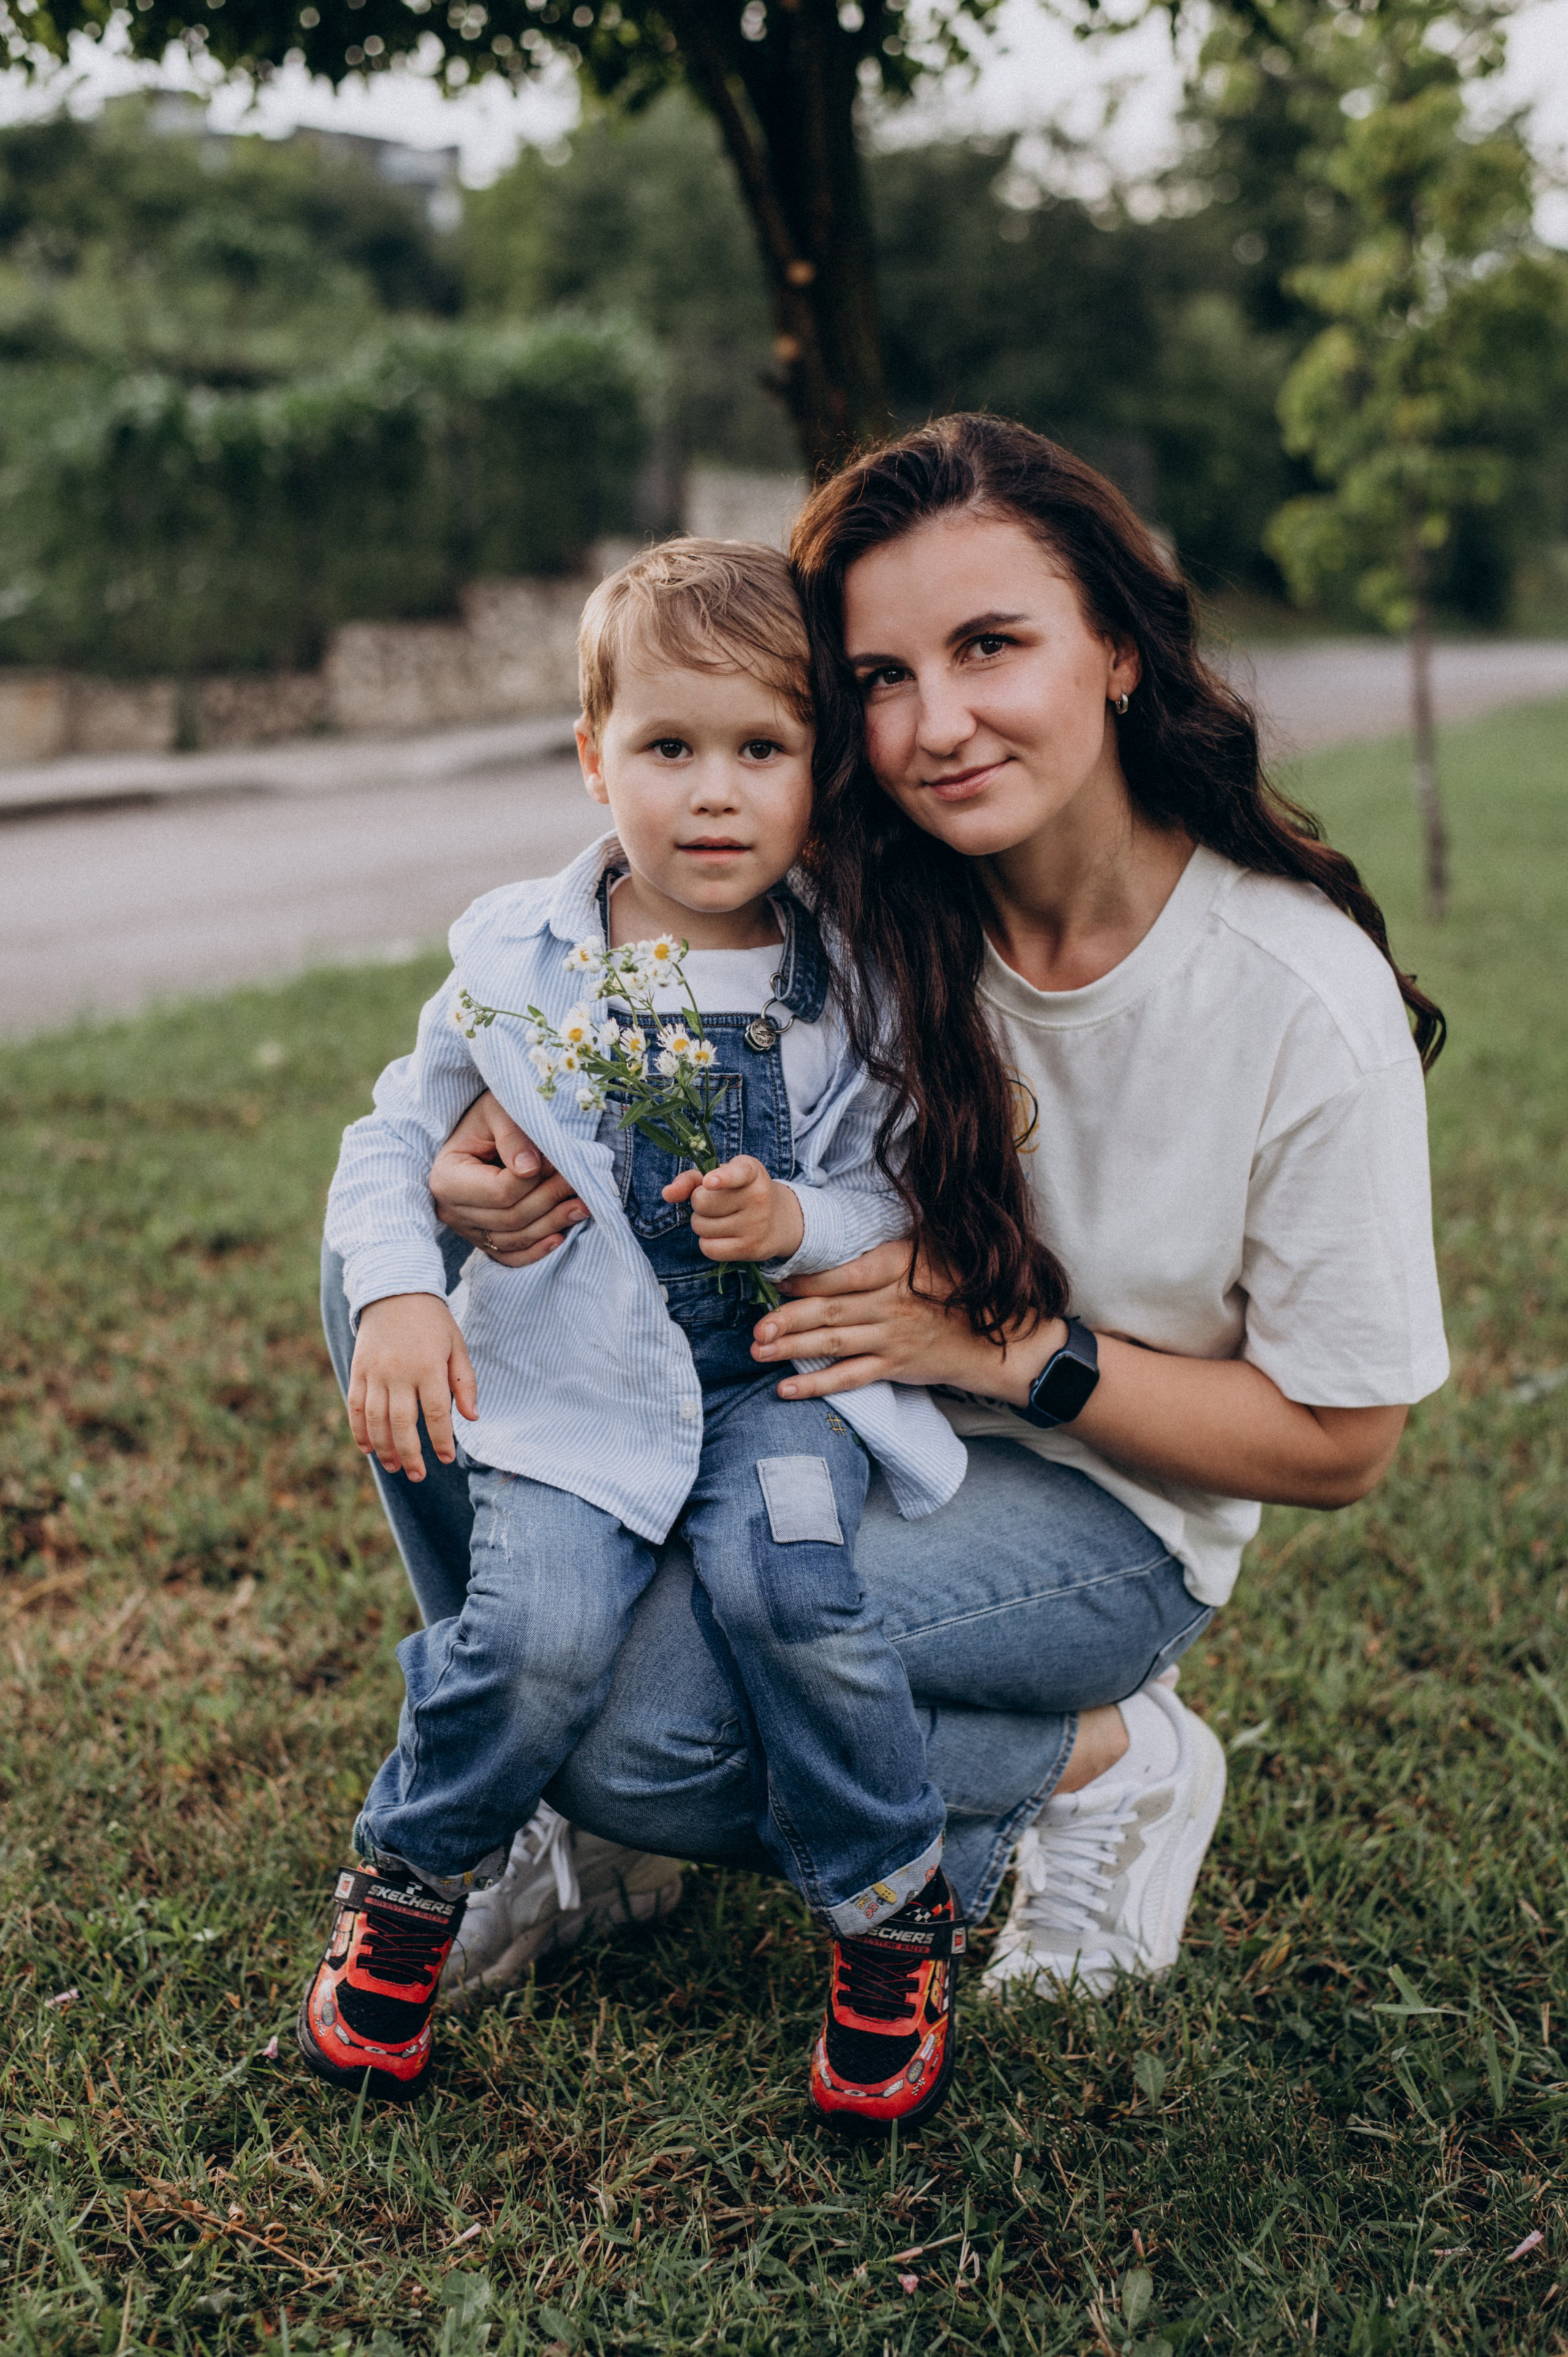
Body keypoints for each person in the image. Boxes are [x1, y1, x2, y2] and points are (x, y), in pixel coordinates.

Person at [352, 414, 1447, 2022]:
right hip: (810, 1412)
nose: (938, 723)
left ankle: (1104, 1764)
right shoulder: (868, 887)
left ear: (1120, 651)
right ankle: (536, 1759)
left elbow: (1345, 1446)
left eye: (992, 645)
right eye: (879, 677)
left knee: (632, 1732)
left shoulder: (1294, 1000)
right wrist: (467, 1160)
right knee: (386, 1277)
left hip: (1089, 1497)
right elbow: (587, 951)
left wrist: (1004, 1349)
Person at [302, 539, 977, 2129]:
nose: (716, 793)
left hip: (780, 1386)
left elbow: (892, 1194)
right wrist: (403, 1289)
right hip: (577, 1390)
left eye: (762, 749)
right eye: (671, 749)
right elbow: (393, 1143)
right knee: (530, 1635)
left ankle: (893, 1911)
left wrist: (801, 1224)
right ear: (597, 757)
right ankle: (413, 1887)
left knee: (792, 1587)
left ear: (821, 773)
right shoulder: (522, 965)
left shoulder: (855, 980)